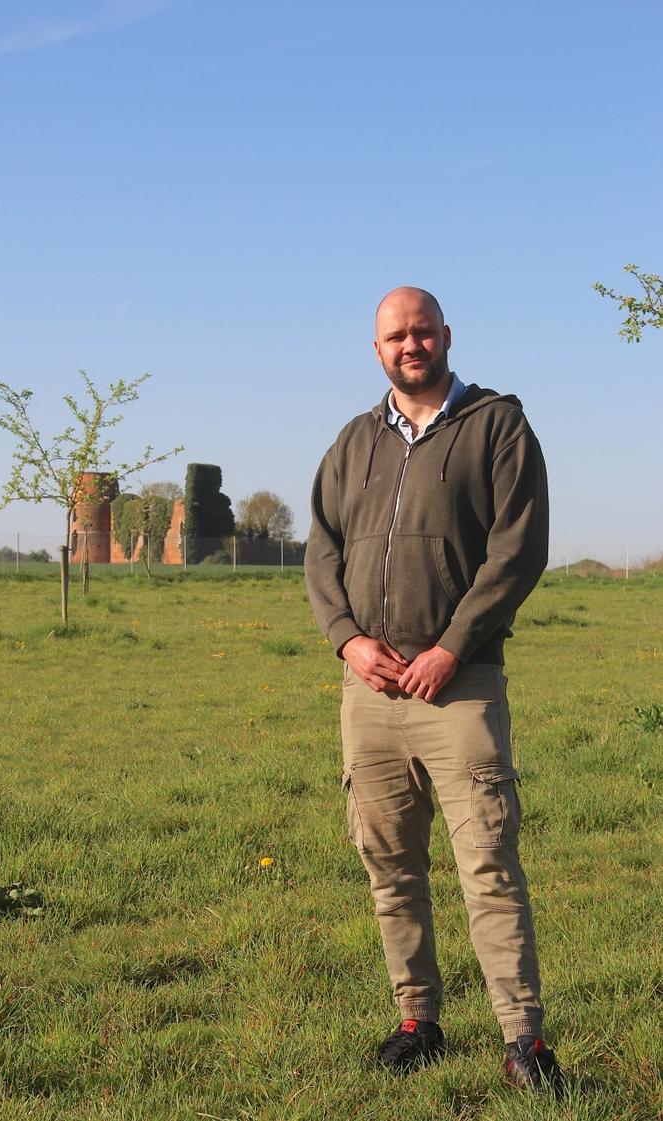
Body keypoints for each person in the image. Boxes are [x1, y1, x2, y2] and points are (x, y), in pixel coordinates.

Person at [304, 286, 564, 1094]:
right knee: (389, 865)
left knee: (487, 862)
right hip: (370, 694)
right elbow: (320, 552)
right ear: (375, 348)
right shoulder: (352, 441)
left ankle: (523, 1041)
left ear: (445, 335)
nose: (408, 345)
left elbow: (516, 552)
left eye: (421, 331)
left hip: (460, 689)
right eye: (393, 336)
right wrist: (347, 639)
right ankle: (417, 1019)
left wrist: (451, 648)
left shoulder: (496, 426)